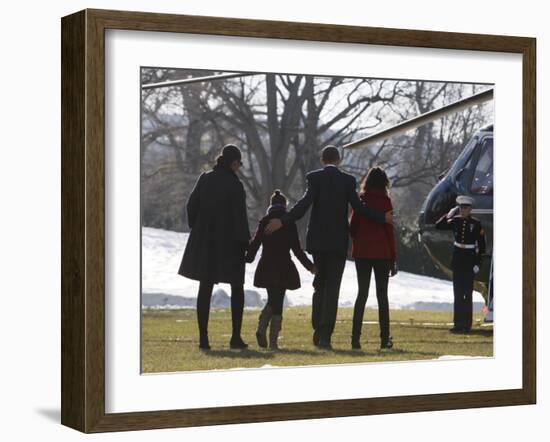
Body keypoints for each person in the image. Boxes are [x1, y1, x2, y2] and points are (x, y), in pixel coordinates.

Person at [265, 146, 393, 349]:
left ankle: (317, 328)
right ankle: (325, 335)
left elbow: (304, 204)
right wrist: (382, 217)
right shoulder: (348, 181)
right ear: (339, 160)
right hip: (337, 242)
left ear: (322, 161)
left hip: (318, 241)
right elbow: (359, 208)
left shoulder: (314, 178)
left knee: (320, 285)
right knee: (333, 289)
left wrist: (283, 220)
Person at [178, 144, 250, 350]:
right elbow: (240, 218)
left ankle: (204, 338)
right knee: (237, 287)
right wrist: (245, 243)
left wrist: (198, 228)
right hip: (230, 243)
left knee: (205, 288)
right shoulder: (235, 185)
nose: (239, 167)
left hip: (205, 241)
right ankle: (235, 337)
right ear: (233, 162)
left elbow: (191, 206)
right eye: (238, 163)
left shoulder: (205, 178)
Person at [245, 190, 317, 350]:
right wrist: (310, 266)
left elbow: (255, 244)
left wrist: (246, 258)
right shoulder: (288, 224)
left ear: (271, 205)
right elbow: (297, 250)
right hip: (284, 267)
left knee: (273, 299)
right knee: (277, 301)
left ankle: (263, 329)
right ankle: (272, 340)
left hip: (267, 266)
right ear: (285, 206)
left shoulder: (264, 221)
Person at [349, 167, 397, 350]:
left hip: (362, 252)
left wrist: (360, 239)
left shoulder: (361, 201)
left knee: (362, 294)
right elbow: (389, 232)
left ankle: (355, 338)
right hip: (382, 253)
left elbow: (352, 228)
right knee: (382, 296)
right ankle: (385, 339)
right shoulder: (386, 202)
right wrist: (393, 257)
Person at [435, 195, 486, 333]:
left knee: (467, 294)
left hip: (469, 261)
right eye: (461, 208)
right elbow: (438, 226)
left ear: (470, 209)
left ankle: (467, 325)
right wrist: (448, 215)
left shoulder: (476, 224)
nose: (463, 210)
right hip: (458, 260)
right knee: (457, 294)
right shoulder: (455, 221)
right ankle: (458, 324)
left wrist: (478, 263)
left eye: (466, 208)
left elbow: (482, 247)